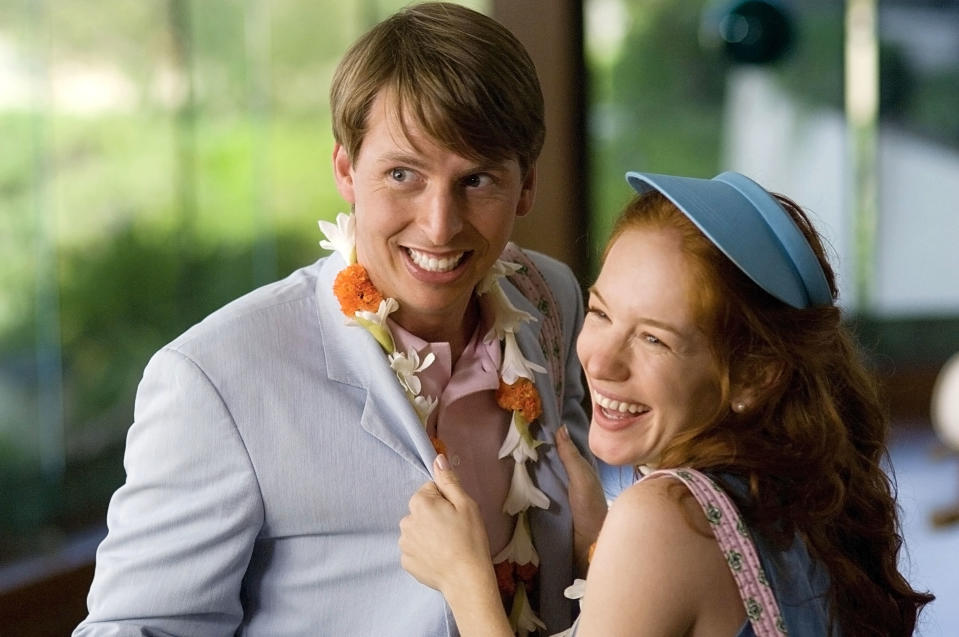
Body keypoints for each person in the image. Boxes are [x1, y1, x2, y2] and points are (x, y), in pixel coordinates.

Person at [74, 3, 589, 635]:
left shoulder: (551, 298)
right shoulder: (215, 377)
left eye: (477, 180)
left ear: (527, 186)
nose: (439, 224)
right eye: (403, 174)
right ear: (346, 170)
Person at [399, 170, 935, 636]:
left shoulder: (664, 520)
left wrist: (464, 581)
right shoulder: (794, 494)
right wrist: (601, 548)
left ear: (753, 376)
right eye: (602, 313)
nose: (602, 362)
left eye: (654, 339)